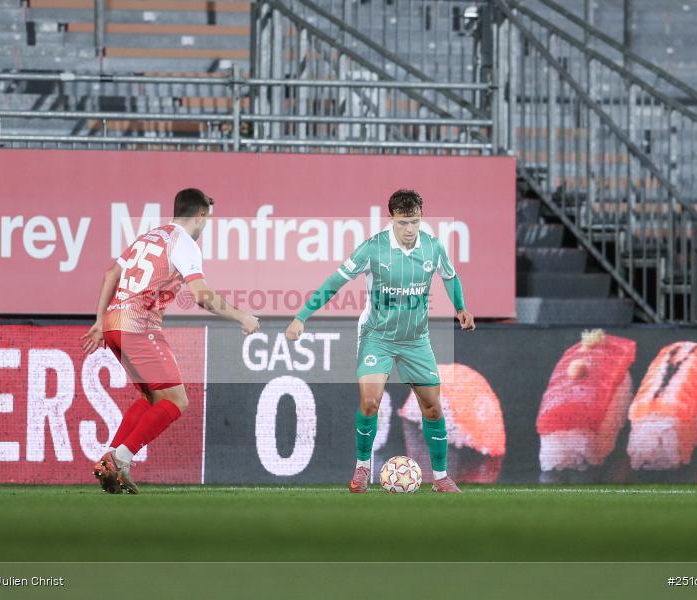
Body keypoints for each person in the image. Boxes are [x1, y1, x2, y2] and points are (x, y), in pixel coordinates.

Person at [285, 189, 475, 493]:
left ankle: (440, 477)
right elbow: (334, 282)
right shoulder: (372, 249)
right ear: (392, 219)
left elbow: (450, 276)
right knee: (370, 402)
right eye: (403, 223)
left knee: (433, 408)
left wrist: (461, 308)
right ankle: (362, 468)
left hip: (415, 339)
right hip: (378, 337)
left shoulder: (433, 248)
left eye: (415, 221)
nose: (410, 229)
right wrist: (301, 317)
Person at [81, 188, 259, 493]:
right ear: (200, 215)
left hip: (113, 322)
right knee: (177, 401)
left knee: (152, 399)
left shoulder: (150, 236)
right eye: (207, 220)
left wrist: (99, 319)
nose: (206, 227)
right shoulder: (184, 243)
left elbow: (111, 273)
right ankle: (119, 459)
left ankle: (111, 462)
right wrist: (242, 317)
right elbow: (202, 297)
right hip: (139, 324)